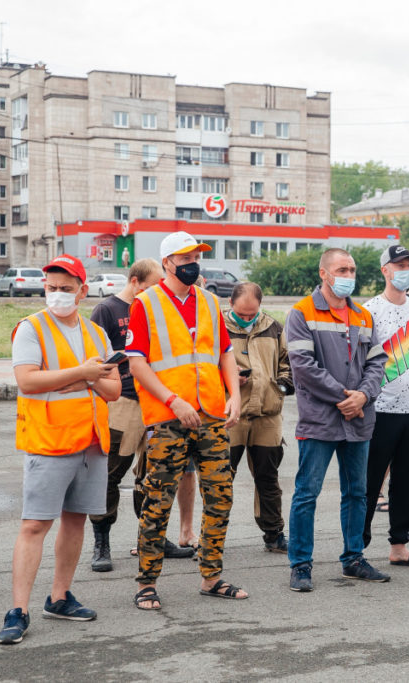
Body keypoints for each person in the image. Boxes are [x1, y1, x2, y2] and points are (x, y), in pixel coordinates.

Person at [0, 255, 121, 645]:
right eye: (51, 288)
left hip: (90, 442)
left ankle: (60, 596)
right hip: (49, 441)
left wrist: (85, 381)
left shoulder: (96, 335)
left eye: (66, 289)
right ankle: (18, 610)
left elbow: (114, 389)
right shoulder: (30, 328)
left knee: (75, 521)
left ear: (83, 291)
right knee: (35, 525)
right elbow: (27, 381)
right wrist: (85, 374)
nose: (56, 295)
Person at [126, 231, 245, 610]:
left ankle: (211, 577)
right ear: (167, 264)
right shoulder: (145, 303)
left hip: (211, 414)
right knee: (157, 501)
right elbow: (136, 362)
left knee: (220, 498)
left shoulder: (210, 301)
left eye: (197, 255)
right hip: (167, 418)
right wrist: (172, 401)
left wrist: (235, 396)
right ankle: (146, 582)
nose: (194, 262)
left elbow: (224, 352)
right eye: (185, 257)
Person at [286, 247, 389, 592]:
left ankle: (353, 559)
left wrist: (363, 395)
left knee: (357, 493)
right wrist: (345, 397)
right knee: (307, 493)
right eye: (342, 269)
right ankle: (300, 564)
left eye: (352, 269)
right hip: (321, 420)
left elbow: (377, 363)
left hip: (358, 418)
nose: (349, 274)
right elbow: (303, 366)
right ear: (324, 273)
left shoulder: (362, 315)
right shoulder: (301, 313)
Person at [87, 258, 190, 572]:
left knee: (155, 476)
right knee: (110, 474)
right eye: (154, 283)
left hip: (157, 403)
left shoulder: (158, 308)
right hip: (123, 403)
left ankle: (154, 539)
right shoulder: (107, 310)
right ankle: (101, 543)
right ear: (135, 281)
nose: (160, 289)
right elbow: (93, 356)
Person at [362, 245, 409, 568]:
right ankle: (356, 546)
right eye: (398, 264)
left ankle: (399, 546)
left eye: (408, 264)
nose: (405, 269)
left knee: (406, 481)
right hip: (379, 410)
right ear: (385, 271)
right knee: (369, 480)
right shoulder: (368, 310)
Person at [224, 281, 294, 553]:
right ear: (231, 304)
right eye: (241, 314)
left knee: (268, 477)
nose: (246, 319)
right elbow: (204, 367)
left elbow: (289, 362)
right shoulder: (218, 327)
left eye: (252, 313)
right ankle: (212, 539)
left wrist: (281, 387)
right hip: (230, 416)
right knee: (220, 479)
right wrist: (228, 383)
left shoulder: (274, 327)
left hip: (268, 415)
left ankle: (274, 534)